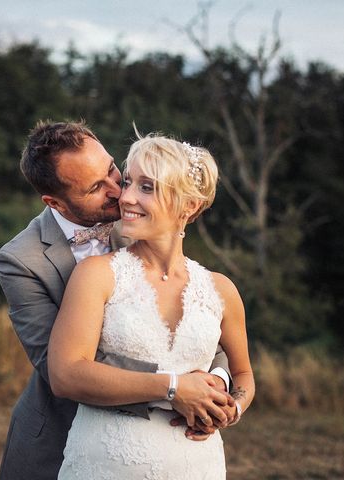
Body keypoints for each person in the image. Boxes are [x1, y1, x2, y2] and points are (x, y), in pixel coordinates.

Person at [0, 121, 235, 480]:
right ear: (54, 202)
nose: (118, 192)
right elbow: (62, 366)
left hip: (169, 443)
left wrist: (215, 383)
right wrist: (175, 388)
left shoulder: (142, 220)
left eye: (111, 170)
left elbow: (190, 317)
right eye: (95, 188)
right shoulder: (21, 260)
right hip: (61, 437)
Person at [48, 132, 255, 479]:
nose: (125, 197)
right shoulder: (96, 275)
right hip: (106, 464)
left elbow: (244, 374)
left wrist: (232, 407)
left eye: (147, 187)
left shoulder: (222, 289)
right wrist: (173, 387)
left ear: (189, 206)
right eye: (127, 181)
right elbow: (65, 375)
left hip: (198, 466)